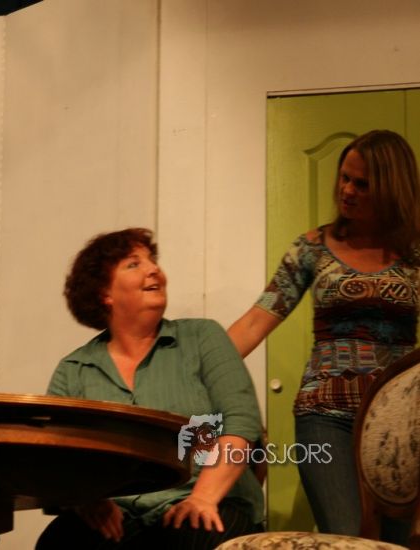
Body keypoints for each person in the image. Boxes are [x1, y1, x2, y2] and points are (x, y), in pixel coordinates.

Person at [227, 129, 420, 541]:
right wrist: (197, 367)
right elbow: (255, 322)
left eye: (362, 184)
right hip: (324, 417)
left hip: (401, 423)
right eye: (344, 177)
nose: (346, 191)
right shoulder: (311, 248)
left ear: (391, 188)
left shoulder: (415, 252)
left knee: (396, 543)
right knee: (347, 538)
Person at [36, 228, 264, 550]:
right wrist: (88, 501)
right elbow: (56, 458)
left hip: (203, 503)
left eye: (152, 260)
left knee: (199, 535)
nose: (153, 269)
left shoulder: (203, 338)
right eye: (134, 264)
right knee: (59, 541)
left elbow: (242, 419)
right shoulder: (74, 370)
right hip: (119, 516)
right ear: (105, 293)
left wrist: (202, 498)